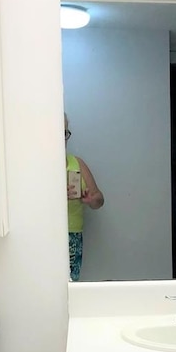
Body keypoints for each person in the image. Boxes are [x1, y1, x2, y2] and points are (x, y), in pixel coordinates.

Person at [65, 114, 104, 281]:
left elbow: (99, 199)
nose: (62, 139)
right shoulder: (36, 168)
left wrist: (90, 199)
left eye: (65, 133)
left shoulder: (77, 163)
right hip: (43, 235)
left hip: (73, 236)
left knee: (71, 284)